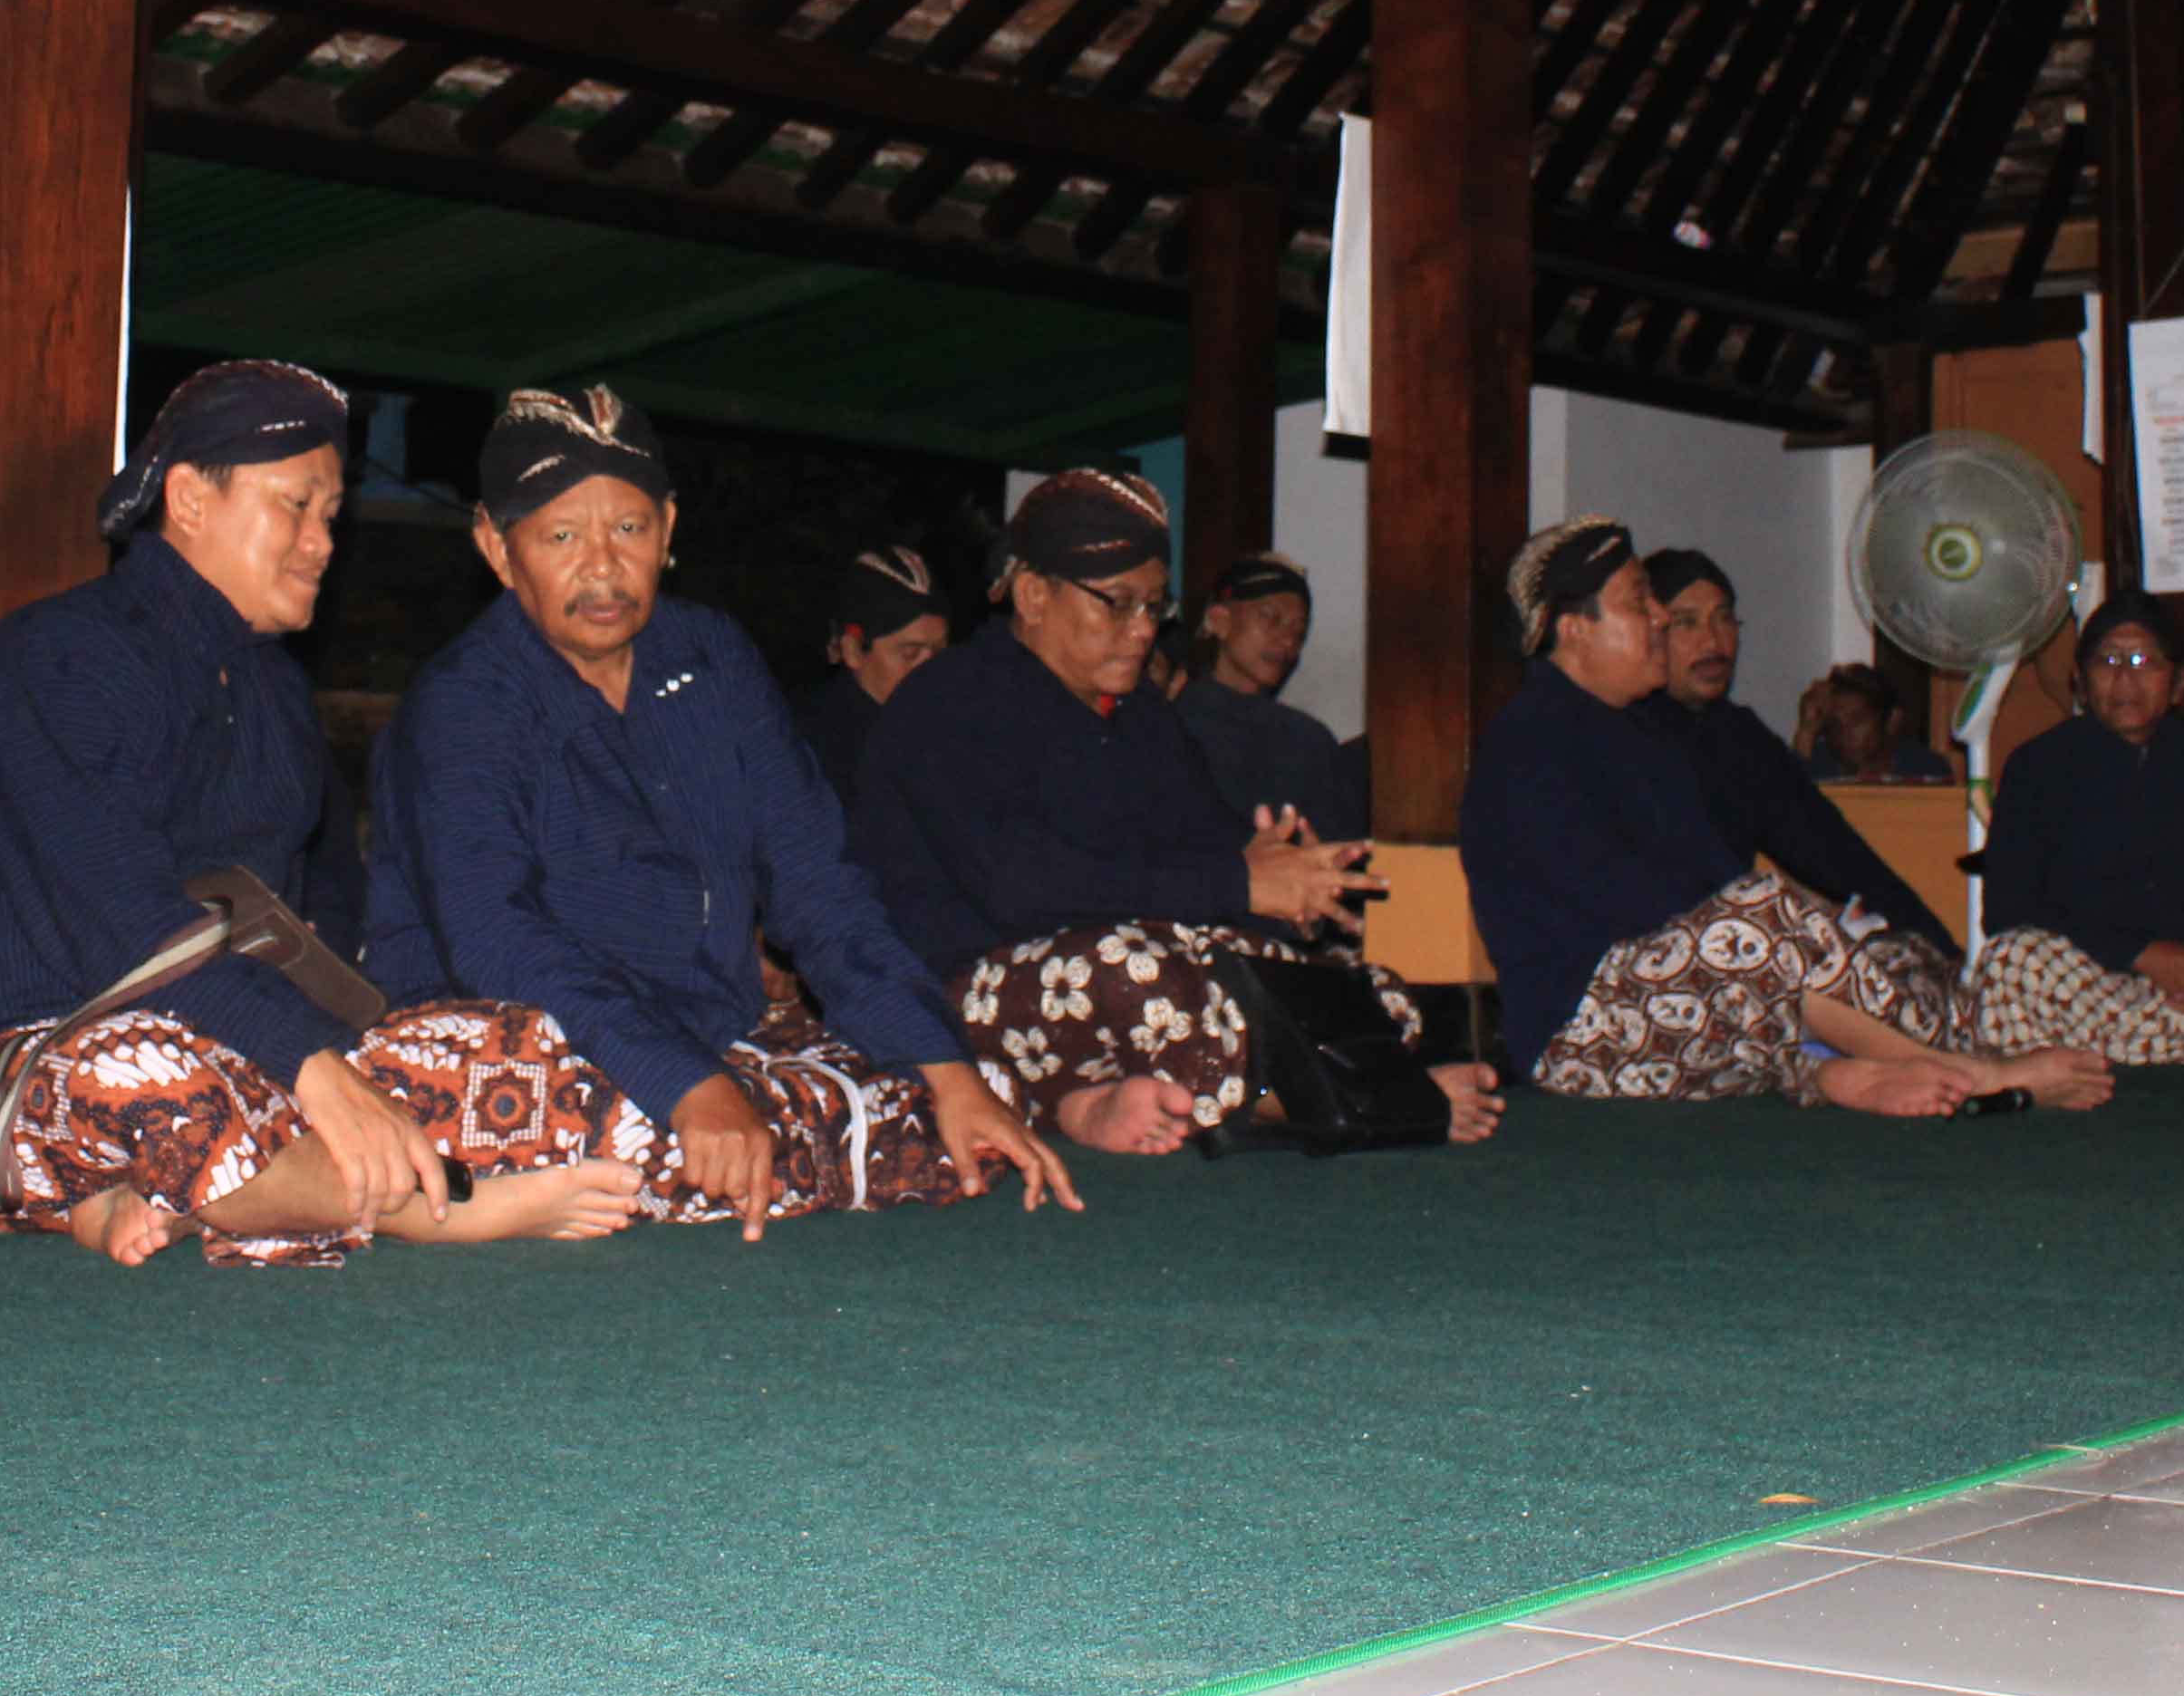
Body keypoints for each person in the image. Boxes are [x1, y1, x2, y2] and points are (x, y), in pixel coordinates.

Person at [0, 361, 653, 1266]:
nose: (323, 541)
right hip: (6, 1056)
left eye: (330, 514)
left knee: (505, 1039)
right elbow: (115, 920)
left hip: (226, 1048)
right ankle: (433, 1203)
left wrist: (362, 1047)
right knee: (149, 1071)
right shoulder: (55, 661)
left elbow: (313, 919)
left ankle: (164, 1195)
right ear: (191, 501)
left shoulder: (273, 693)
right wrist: (312, 1066)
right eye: (295, 505)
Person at [370, 386, 1072, 1236]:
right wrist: (685, 1082)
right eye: (561, 536)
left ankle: (728, 1148)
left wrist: (945, 1070)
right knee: (527, 1097)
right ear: (495, 544)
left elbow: (818, 881)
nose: (601, 567)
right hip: (532, 1042)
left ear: (668, 527)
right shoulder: (465, 701)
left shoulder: (712, 660)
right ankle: (708, 1146)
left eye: (628, 529)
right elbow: (493, 938)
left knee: (968, 1084)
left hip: (712, 1034)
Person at [851, 466, 1502, 1156]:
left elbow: (1215, 858)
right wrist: (1237, 883)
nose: (1142, 632)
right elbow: (1018, 886)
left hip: (1120, 991)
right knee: (1135, 970)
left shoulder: (1141, 719)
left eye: (1154, 608)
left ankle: (1088, 1105)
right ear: (1035, 595)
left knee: (1364, 987)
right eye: (1118, 604)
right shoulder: (947, 702)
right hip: (964, 987)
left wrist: (1289, 889)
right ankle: (1292, 1099)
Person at [1461, 516, 2107, 1118]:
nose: (1658, 618)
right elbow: (1645, 903)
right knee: (1762, 919)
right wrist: (1792, 934)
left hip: (1696, 1023)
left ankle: (1834, 1074)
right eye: (1640, 602)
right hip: (1584, 1038)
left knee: (1882, 947)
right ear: (1575, 630)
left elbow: (1754, 872)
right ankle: (1969, 1074)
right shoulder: (1532, 747)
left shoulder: (1635, 739)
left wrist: (1838, 939)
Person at [1972, 592, 2184, 1068]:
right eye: (2108, 661)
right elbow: (2007, 909)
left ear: (2179, 683)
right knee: (2011, 962)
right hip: (2086, 978)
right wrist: (2146, 955)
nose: (2125, 678)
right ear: (2081, 682)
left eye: (2145, 661)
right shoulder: (2038, 765)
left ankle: (2127, 1048)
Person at [1636, 548, 1961, 960]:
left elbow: (1835, 853)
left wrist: (1941, 951)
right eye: (1687, 623)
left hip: (1735, 958)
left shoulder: (1737, 738)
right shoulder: (1625, 734)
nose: (1713, 641)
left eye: (1723, 618)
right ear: (1648, 631)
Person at [1177, 550, 1364, 841]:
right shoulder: (1170, 727)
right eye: (1269, 618)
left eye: (1298, 629)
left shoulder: (1308, 742)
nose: (1287, 639)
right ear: (1219, 620)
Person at [788, 544, 948, 801]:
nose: (931, 670)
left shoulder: (953, 725)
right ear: (853, 650)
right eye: (910, 653)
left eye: (939, 653)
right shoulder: (808, 751)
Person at [1795, 663, 1954, 785]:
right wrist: (1806, 730)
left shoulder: (1925, 768)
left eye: (1856, 721)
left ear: (1892, 721)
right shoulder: (1818, 763)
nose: (1844, 734)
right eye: (1835, 723)